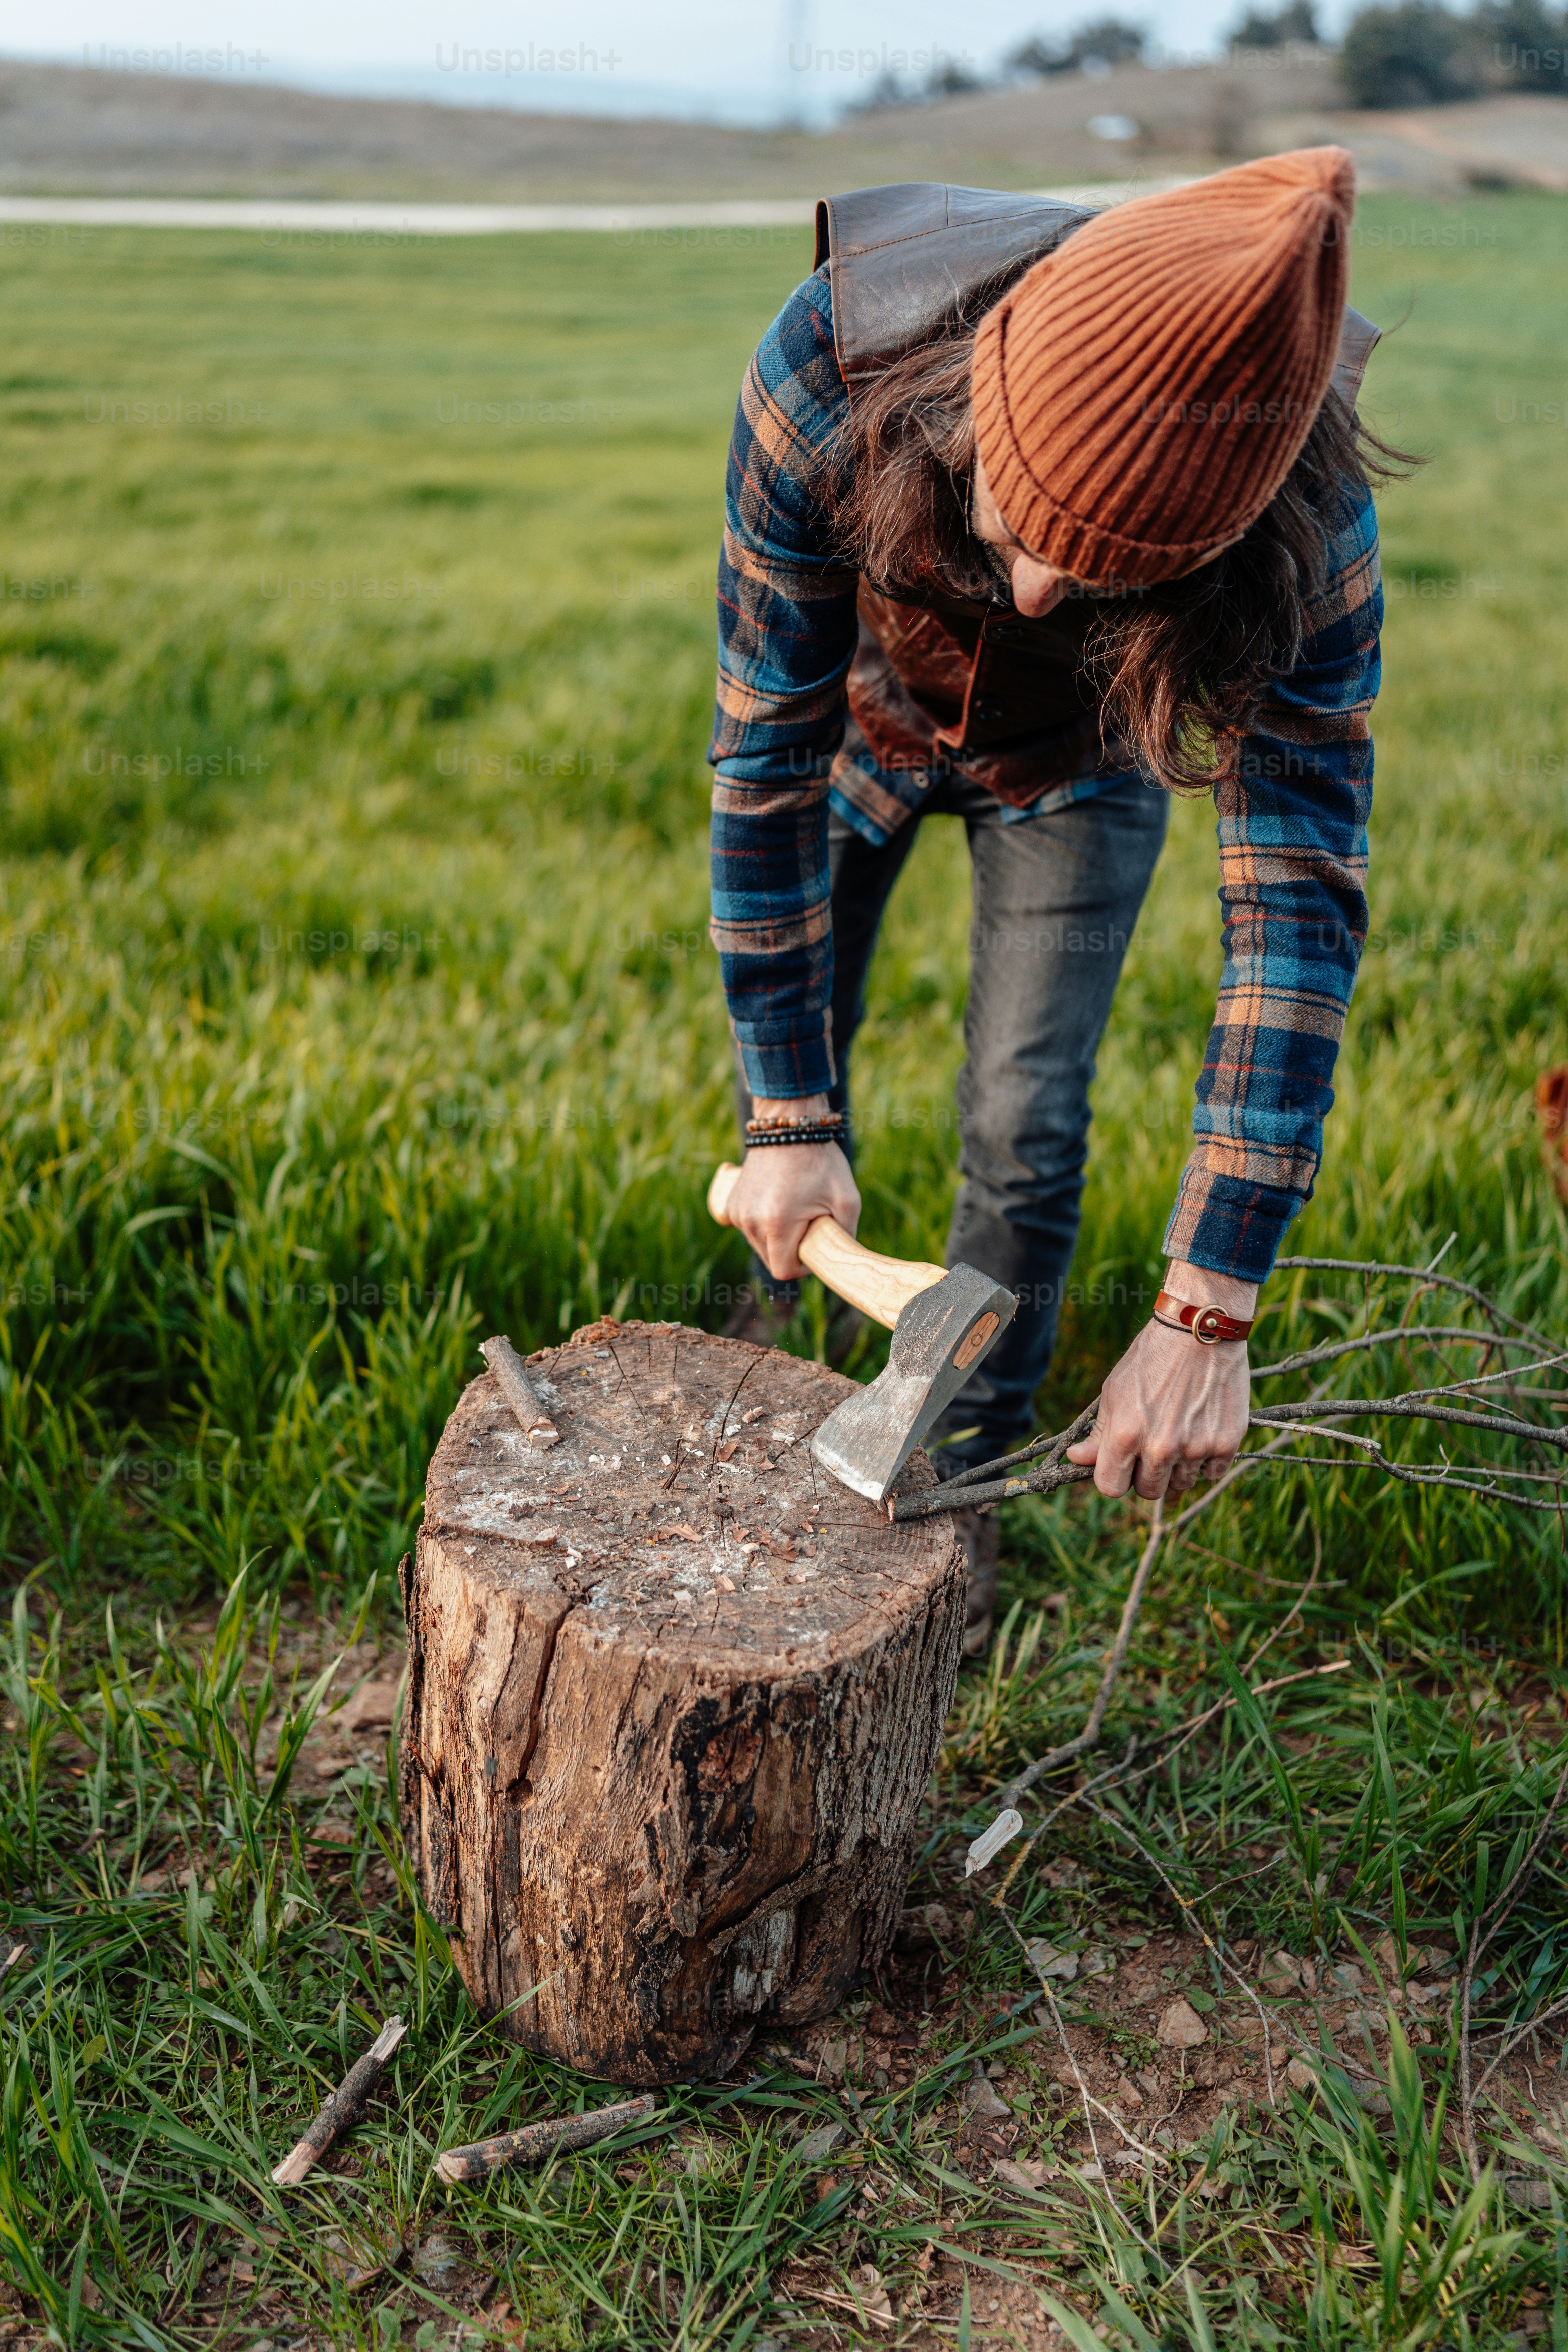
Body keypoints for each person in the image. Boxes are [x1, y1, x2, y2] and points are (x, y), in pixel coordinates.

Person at [708, 150, 1395, 1654]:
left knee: (1025, 1112)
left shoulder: (1309, 532)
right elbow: (762, 756)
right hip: (857, 725)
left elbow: (1294, 904)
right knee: (795, 1057)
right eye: (1012, 527)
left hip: (1087, 762)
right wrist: (783, 1117)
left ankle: (963, 1477)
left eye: (1096, 577)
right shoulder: (833, 357)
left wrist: (1208, 1305)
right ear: (973, 406)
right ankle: (765, 1333)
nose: (1028, 598)